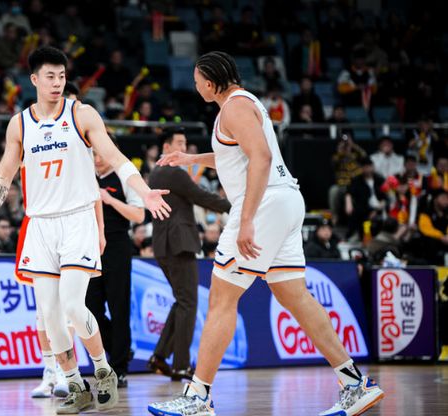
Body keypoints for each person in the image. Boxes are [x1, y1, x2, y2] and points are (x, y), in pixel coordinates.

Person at [148, 51, 384, 416]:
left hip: (264, 204)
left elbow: (261, 157)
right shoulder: (242, 104)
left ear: (209, 83)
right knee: (294, 295)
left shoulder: (233, 108)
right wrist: (193, 160)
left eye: (196, 83)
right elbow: (238, 155)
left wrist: (246, 220)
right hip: (284, 201)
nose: (195, 88)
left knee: (221, 299)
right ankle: (354, 382)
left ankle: (198, 397)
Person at [0, 46, 170, 414]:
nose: (57, 82)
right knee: (50, 314)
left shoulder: (82, 114)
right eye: (50, 76)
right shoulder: (20, 124)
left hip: (77, 220)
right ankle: (75, 384)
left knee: (75, 306)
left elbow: (116, 158)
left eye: (61, 76)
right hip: (40, 224)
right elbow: (3, 175)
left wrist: (144, 191)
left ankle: (104, 370)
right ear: (34, 79)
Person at [147, 128, 231, 382]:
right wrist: (234, 206)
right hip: (178, 244)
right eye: (179, 143)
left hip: (165, 245)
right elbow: (200, 196)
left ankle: (160, 356)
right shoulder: (173, 172)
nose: (183, 148)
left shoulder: (157, 173)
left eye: (185, 143)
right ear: (166, 147)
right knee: (188, 303)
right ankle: (181, 365)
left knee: (181, 301)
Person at [86, 137, 146, 388]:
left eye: (101, 153)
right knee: (89, 309)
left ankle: (119, 368)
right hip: (89, 247)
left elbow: (139, 215)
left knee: (119, 307)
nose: (98, 159)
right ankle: (117, 348)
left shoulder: (124, 176)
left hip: (117, 246)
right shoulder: (84, 176)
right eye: (94, 154)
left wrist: (109, 200)